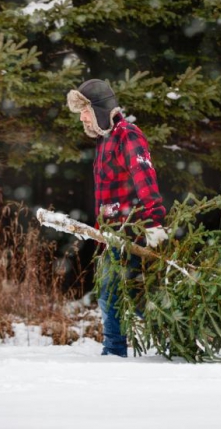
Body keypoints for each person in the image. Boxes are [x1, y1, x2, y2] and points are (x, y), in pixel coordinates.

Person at [67, 79, 167, 357]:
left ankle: (115, 350)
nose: (83, 117)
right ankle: (165, 335)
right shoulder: (104, 140)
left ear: (99, 108)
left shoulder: (128, 135)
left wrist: (154, 223)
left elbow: (145, 180)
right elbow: (108, 196)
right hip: (112, 235)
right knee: (128, 296)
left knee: (114, 291)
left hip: (132, 230)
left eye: (85, 110)